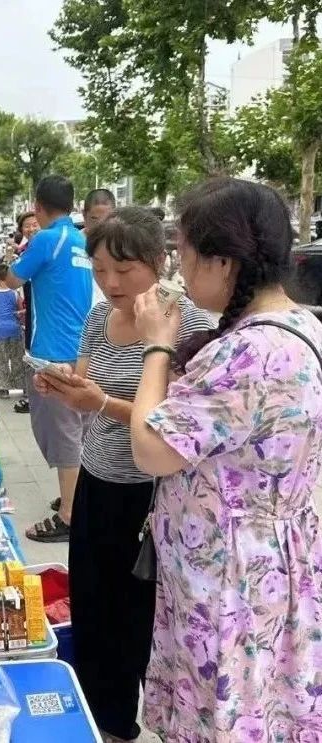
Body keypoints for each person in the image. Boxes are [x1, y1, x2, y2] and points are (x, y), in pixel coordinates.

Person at [130, 178, 322, 741]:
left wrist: (157, 346)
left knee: (227, 710)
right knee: (263, 703)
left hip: (230, 579)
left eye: (183, 254)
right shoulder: (301, 326)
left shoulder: (251, 352)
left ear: (223, 261)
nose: (179, 271)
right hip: (271, 562)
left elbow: (151, 449)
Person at [33, 207, 213, 742]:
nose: (110, 283)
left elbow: (177, 423)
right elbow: (87, 384)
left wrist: (103, 402)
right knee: (93, 608)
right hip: (97, 483)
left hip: (153, 495)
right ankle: (106, 723)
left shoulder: (189, 322)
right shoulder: (96, 320)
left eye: (125, 269)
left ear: (158, 262)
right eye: (100, 269)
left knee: (141, 617)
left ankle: (153, 716)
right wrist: (65, 385)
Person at [6, 176, 92, 543]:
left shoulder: (45, 239)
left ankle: (70, 515)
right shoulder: (81, 239)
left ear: (38, 207)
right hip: (82, 351)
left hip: (51, 354)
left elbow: (11, 280)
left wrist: (19, 255)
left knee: (62, 435)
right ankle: (76, 498)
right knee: (79, 430)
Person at [11, 211, 40, 414]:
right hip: (31, 308)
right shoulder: (25, 252)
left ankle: (35, 395)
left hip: (42, 311)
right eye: (26, 226)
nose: (30, 229)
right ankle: (32, 394)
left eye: (34, 224)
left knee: (35, 348)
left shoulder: (41, 249)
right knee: (30, 349)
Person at [0, 263, 25, 400]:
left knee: (0, 360)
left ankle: (3, 389)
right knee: (18, 359)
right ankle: (23, 386)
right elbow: (20, 310)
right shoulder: (14, 293)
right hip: (15, 331)